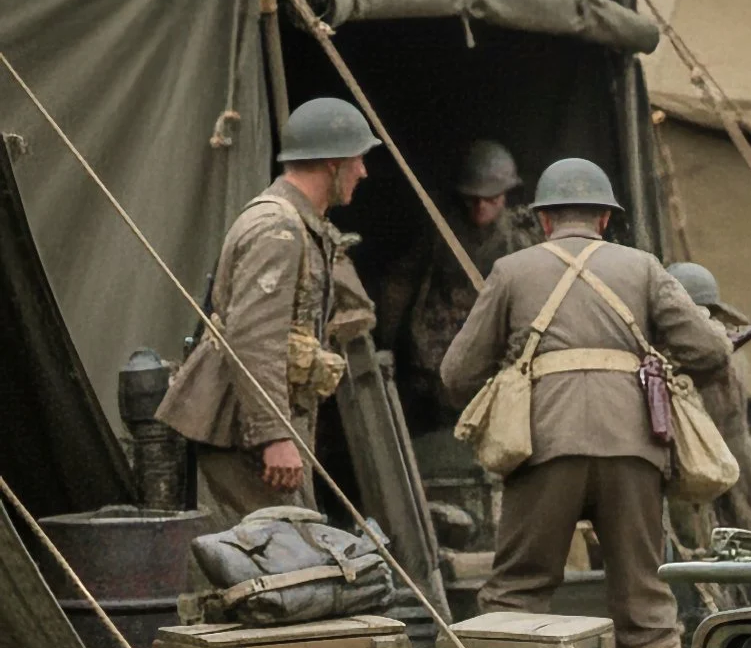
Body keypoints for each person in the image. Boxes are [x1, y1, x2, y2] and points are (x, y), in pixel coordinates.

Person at [440, 158, 731, 648]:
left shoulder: (512, 271)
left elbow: (456, 373)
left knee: (517, 594)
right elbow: (711, 350)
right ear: (603, 219)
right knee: (645, 601)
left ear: (545, 220)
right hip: (635, 448)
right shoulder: (642, 268)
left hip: (543, 447)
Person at [157, 96, 379, 523]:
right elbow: (254, 338)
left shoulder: (299, 224)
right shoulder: (277, 229)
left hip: (254, 429)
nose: (363, 171)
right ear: (333, 162)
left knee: (295, 555)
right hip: (243, 433)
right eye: (357, 159)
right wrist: (273, 435)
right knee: (286, 559)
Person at [378, 139, 541, 421]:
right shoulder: (440, 231)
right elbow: (400, 283)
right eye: (472, 199)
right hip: (438, 355)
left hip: (499, 350)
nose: (480, 208)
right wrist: (386, 340)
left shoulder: (521, 236)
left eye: (490, 199)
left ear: (506, 195)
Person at [665, 262, 751, 539]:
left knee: (737, 521)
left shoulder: (717, 353)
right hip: (711, 456)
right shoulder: (714, 349)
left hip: (723, 452)